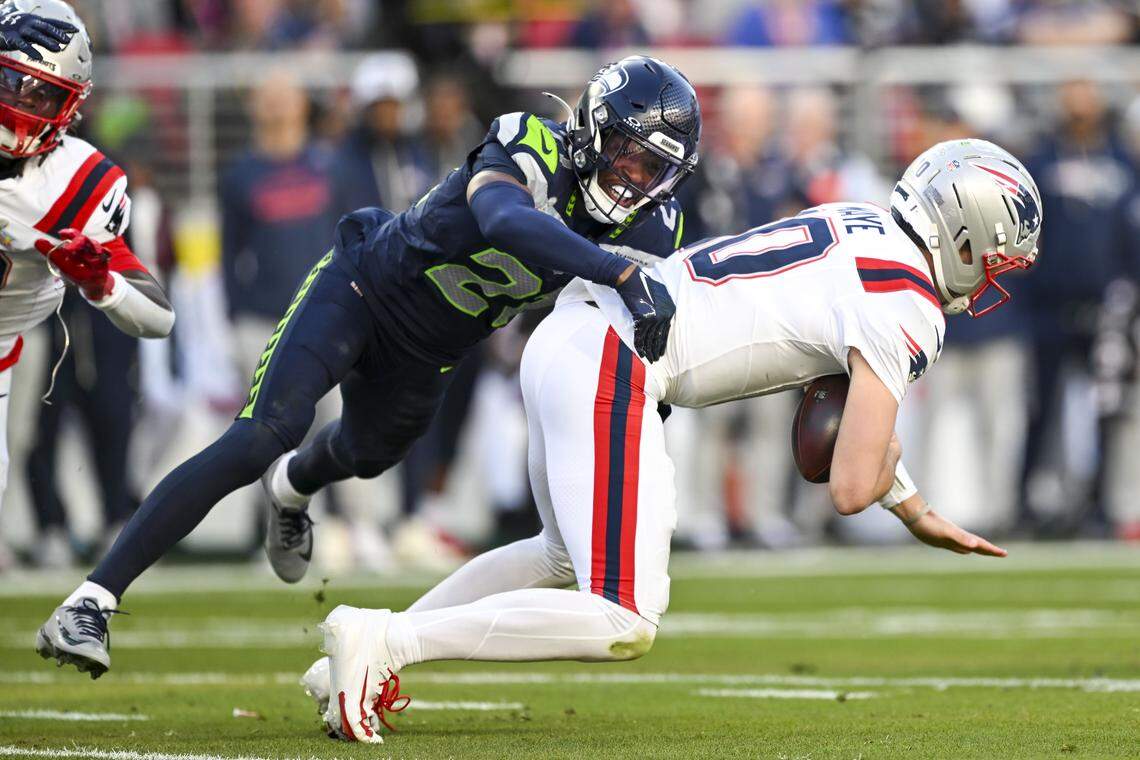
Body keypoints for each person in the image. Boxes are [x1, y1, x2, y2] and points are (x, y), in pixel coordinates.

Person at [300, 138, 1043, 743]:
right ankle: (383, 642)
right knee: (623, 617)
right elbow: (850, 485)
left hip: (574, 333)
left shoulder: (864, 222)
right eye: (997, 258)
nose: (990, 280)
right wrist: (886, 476)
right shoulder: (910, 306)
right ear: (965, 236)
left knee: (561, 555)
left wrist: (913, 508)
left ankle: (351, 664)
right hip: (618, 361)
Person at [36, 54, 699, 678]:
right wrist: (615, 270)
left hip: (433, 352)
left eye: (654, 170)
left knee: (366, 453)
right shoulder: (531, 140)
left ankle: (292, 487)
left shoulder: (646, 229)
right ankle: (90, 601)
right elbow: (502, 218)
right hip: (363, 291)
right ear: (592, 129)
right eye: (626, 154)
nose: (632, 179)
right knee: (262, 434)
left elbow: (622, 323)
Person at [0, 0, 175, 570]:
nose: (19, 105)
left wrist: (103, 284)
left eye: (39, 93)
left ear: (68, 106)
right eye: (10, 81)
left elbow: (158, 316)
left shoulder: (70, 182)